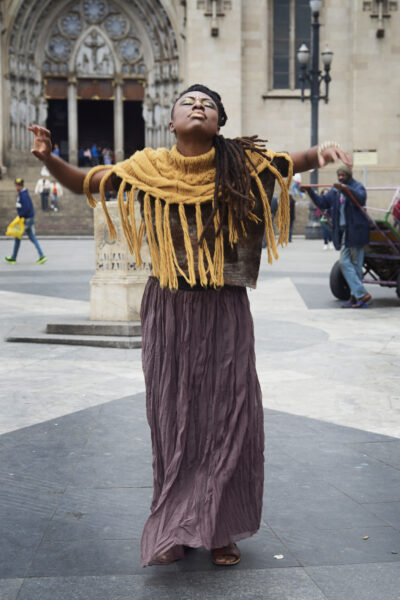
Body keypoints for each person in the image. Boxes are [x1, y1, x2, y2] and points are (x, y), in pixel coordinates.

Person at [27, 84, 351, 567]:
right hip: (170, 307)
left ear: (220, 122)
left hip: (224, 306)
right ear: (171, 122)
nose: (198, 106)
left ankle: (221, 528)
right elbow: (86, 183)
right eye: (188, 103)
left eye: (209, 105)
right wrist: (50, 159)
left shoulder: (240, 163)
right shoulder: (145, 170)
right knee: (174, 420)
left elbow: (289, 162)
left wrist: (320, 152)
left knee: (229, 418)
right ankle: (177, 523)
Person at [303, 165, 371, 308]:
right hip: (346, 231)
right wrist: (311, 192)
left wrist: (346, 190)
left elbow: (361, 198)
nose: (340, 177)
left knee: (352, 264)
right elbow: (322, 202)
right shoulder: (335, 191)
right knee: (348, 263)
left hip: (357, 230)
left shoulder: (357, 186)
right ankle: (359, 295)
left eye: (343, 175)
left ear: (349, 175)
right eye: (339, 175)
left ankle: (358, 296)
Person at [4, 177, 47, 265]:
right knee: (25, 237)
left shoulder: (24, 195)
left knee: (21, 237)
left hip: (26, 219)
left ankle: (14, 257)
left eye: (17, 186)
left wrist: (20, 216)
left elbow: (27, 208)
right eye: (16, 185)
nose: (16, 187)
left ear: (21, 186)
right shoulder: (22, 194)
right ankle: (14, 257)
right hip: (26, 218)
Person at [288, 173, 305, 242]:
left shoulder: (297, 174)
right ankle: (301, 195)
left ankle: (298, 194)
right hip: (292, 217)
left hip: (288, 217)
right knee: (290, 228)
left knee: (293, 187)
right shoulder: (293, 202)